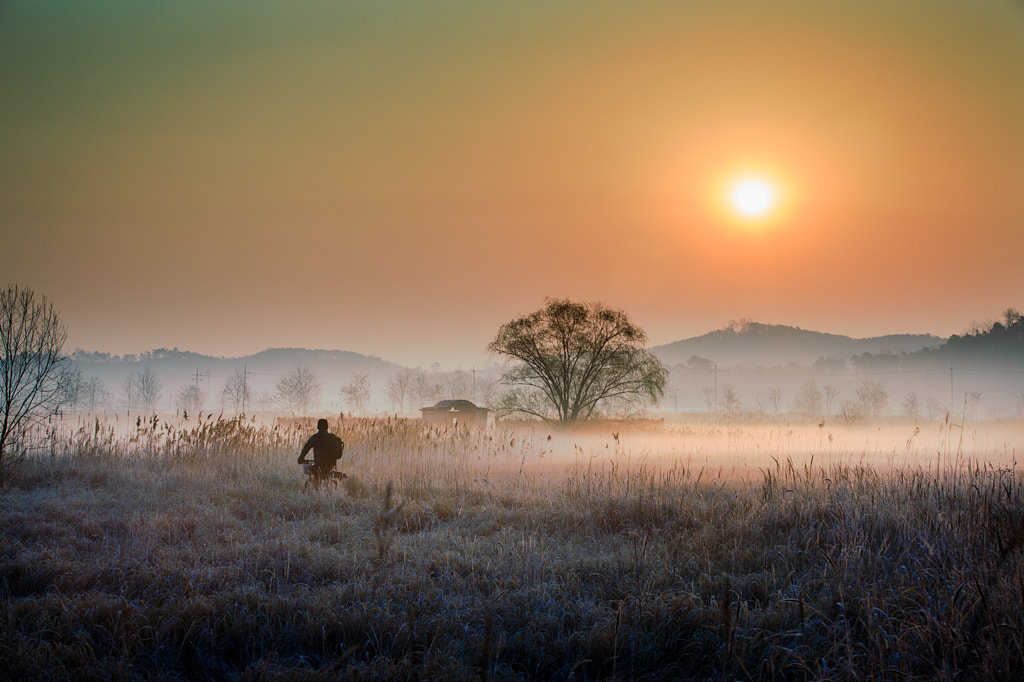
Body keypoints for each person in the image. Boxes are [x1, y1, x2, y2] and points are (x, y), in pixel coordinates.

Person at [297, 418, 345, 484]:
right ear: (327, 427)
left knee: (313, 480)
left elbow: (306, 448)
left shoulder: (315, 438)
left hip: (318, 467)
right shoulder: (333, 438)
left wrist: (301, 458)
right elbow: (338, 454)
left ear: (318, 427)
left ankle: (315, 490)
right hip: (331, 467)